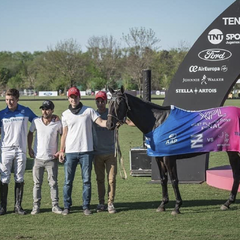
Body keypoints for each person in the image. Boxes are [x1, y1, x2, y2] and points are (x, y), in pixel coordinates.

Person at [59, 86, 107, 216]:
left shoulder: (89, 111)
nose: (73, 99)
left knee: (86, 181)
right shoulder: (65, 114)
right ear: (68, 98)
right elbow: (64, 134)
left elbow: (101, 122)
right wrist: (61, 150)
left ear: (79, 97)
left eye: (75, 96)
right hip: (70, 152)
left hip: (86, 151)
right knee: (68, 181)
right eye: (71, 97)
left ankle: (86, 206)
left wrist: (113, 123)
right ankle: (67, 206)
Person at [0, 89, 37, 215]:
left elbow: (38, 122)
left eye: (12, 100)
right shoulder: (1, 114)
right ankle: (3, 207)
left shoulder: (25, 111)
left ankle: (18, 206)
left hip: (21, 150)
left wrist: (52, 117)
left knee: (19, 177)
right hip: (5, 150)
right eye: (7, 100)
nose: (9, 102)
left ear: (17, 99)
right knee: (4, 178)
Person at [27, 100, 63, 215]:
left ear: (52, 110)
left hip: (51, 158)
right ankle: (36, 206)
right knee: (37, 184)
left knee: (53, 183)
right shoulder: (36, 121)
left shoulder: (57, 123)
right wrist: (30, 148)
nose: (44, 111)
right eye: (43, 109)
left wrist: (61, 150)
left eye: (47, 109)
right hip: (38, 158)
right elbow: (30, 133)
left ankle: (55, 205)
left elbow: (63, 135)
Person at [93, 91, 117, 214]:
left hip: (111, 152)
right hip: (97, 153)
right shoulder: (92, 114)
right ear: (95, 102)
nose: (100, 103)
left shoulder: (111, 113)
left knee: (111, 179)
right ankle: (101, 202)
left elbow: (125, 121)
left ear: (106, 102)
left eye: (102, 101)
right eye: (98, 101)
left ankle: (110, 203)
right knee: (100, 179)